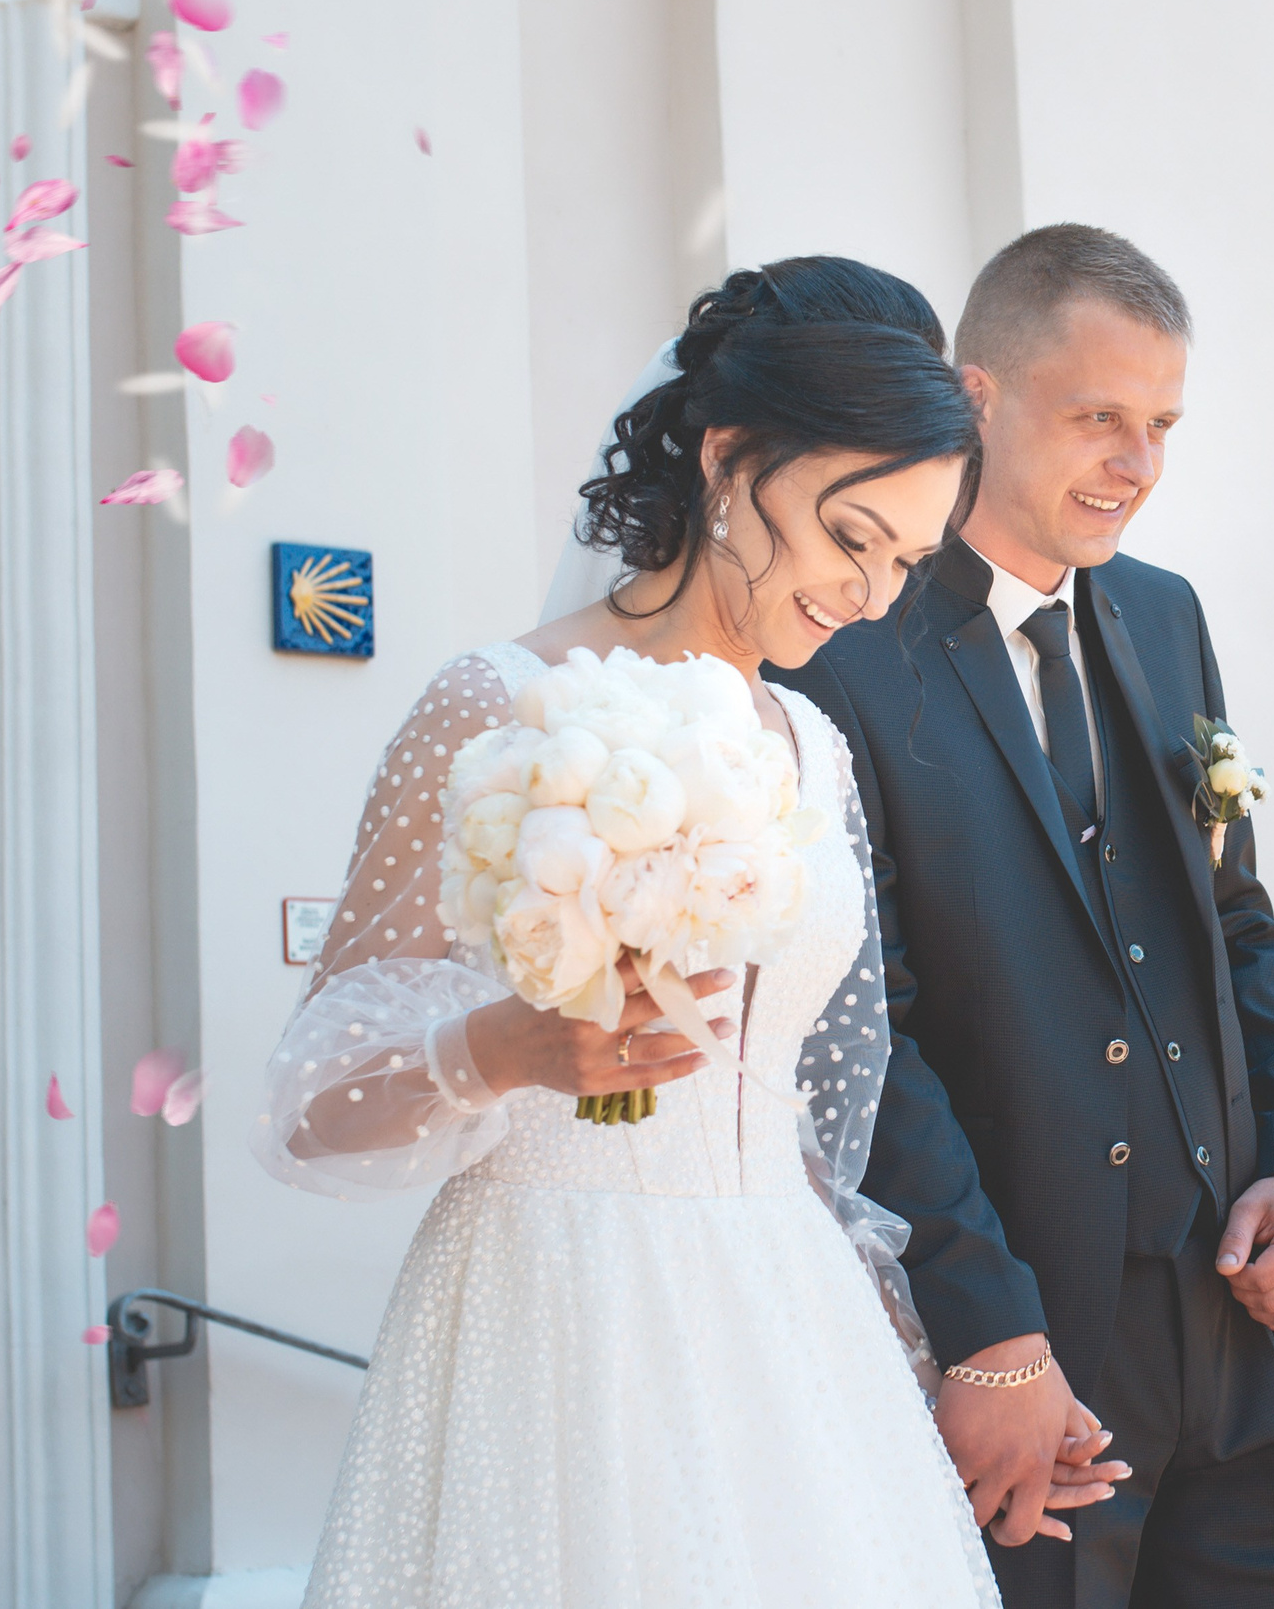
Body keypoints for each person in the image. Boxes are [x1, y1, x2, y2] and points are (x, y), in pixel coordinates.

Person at [256, 260, 1118, 1609]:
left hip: (786, 1331)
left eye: (903, 561)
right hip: (554, 1318)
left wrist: (941, 1359)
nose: (870, 597)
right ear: (728, 458)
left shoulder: (814, 744)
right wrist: (503, 1048)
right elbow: (313, 1098)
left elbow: (812, 1129)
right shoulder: (494, 703)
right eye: (851, 537)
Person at [772, 226, 1274, 1606]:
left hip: (1235, 1319)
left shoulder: (1165, 615)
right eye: (1100, 419)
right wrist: (988, 1327)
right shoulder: (845, 647)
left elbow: (1238, 923)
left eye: (1162, 427)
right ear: (978, 399)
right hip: (1029, 1345)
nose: (1138, 465)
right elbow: (863, 1024)